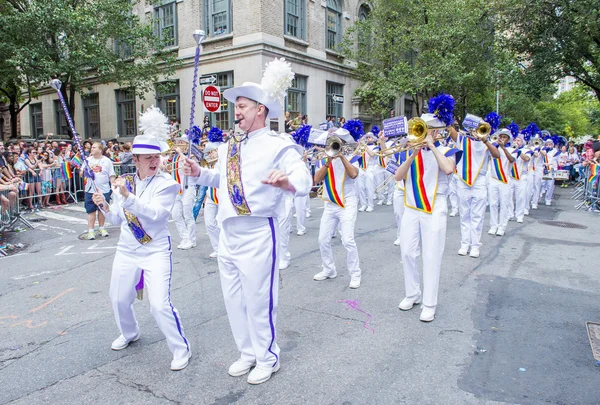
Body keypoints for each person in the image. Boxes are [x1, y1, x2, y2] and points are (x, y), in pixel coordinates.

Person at [182, 60, 312, 384]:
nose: (235, 112)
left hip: (257, 232)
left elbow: (303, 177)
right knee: (234, 300)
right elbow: (222, 180)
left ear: (260, 109)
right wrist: (200, 174)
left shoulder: (278, 144)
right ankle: (247, 352)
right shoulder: (230, 146)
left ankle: (268, 357)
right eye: (235, 107)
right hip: (228, 233)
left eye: (241, 106)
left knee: (259, 300)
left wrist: (287, 182)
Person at [92, 128, 191, 371]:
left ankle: (181, 349)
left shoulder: (167, 184)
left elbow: (157, 214)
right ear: (135, 160)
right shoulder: (123, 184)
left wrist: (128, 198)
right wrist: (105, 204)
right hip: (127, 249)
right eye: (148, 158)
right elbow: (117, 218)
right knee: (118, 298)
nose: (154, 161)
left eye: (157, 157)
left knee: (159, 304)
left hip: (155, 249)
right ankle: (130, 332)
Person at [394, 113, 460, 322]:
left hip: (434, 206)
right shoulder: (410, 151)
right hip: (412, 207)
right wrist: (413, 154)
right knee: (407, 252)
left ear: (437, 131)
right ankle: (412, 293)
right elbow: (398, 176)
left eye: (428, 128)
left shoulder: (448, 150)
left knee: (431, 256)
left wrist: (431, 146)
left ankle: (429, 303)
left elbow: (448, 169)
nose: (423, 131)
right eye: (422, 127)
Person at [313, 128, 361, 288]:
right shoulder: (325, 159)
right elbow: (316, 179)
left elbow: (353, 174)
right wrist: (328, 161)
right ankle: (329, 269)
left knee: (348, 239)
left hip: (347, 203)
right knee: (323, 240)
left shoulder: (353, 157)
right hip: (330, 204)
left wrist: (341, 156)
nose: (336, 144)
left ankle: (355, 274)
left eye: (339, 142)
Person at [449, 121, 500, 258]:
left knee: (477, 215)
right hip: (463, 181)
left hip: (479, 181)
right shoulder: (462, 139)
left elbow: (497, 155)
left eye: (481, 129)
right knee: (464, 215)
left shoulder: (488, 144)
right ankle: (464, 244)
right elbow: (451, 130)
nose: (478, 131)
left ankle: (475, 245)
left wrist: (485, 141)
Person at [83, 142, 115, 240]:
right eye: (91, 147)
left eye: (94, 147)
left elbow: (111, 175)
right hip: (90, 190)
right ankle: (91, 231)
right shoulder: (87, 160)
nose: (91, 149)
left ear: (100, 150)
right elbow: (81, 173)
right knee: (91, 211)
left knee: (102, 210)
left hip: (104, 190)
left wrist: (113, 188)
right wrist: (86, 172)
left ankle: (102, 228)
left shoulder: (107, 161)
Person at [487, 129, 516, 237]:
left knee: (504, 204)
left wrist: (503, 148)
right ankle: (493, 225)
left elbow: (512, 160)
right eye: (501, 136)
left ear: (508, 139)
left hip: (504, 180)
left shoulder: (512, 149)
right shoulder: (493, 148)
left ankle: (502, 226)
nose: (502, 138)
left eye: (504, 137)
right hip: (493, 179)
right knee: (493, 204)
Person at [507, 135, 531, 222]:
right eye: (515, 140)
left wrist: (518, 151)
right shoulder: (509, 149)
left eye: (519, 140)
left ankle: (519, 215)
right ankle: (510, 214)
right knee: (509, 196)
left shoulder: (526, 150)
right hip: (510, 175)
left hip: (521, 176)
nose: (517, 142)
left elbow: (527, 159)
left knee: (520, 197)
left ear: (522, 142)